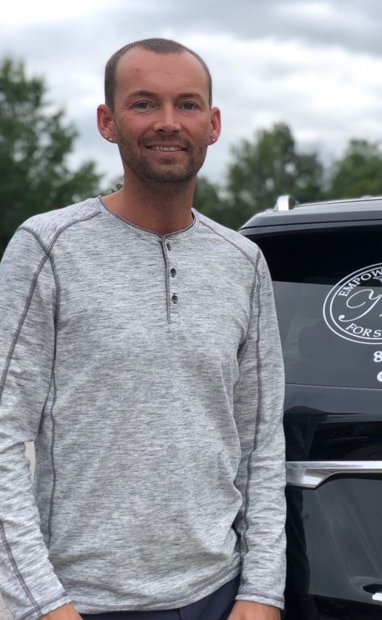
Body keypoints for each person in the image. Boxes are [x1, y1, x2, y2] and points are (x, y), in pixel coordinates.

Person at [0, 39, 286, 620]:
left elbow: (261, 444)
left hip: (220, 595)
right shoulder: (46, 248)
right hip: (81, 602)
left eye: (187, 105)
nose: (167, 123)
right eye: (143, 104)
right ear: (108, 121)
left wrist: (261, 594)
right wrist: (40, 603)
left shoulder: (243, 262)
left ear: (213, 123)